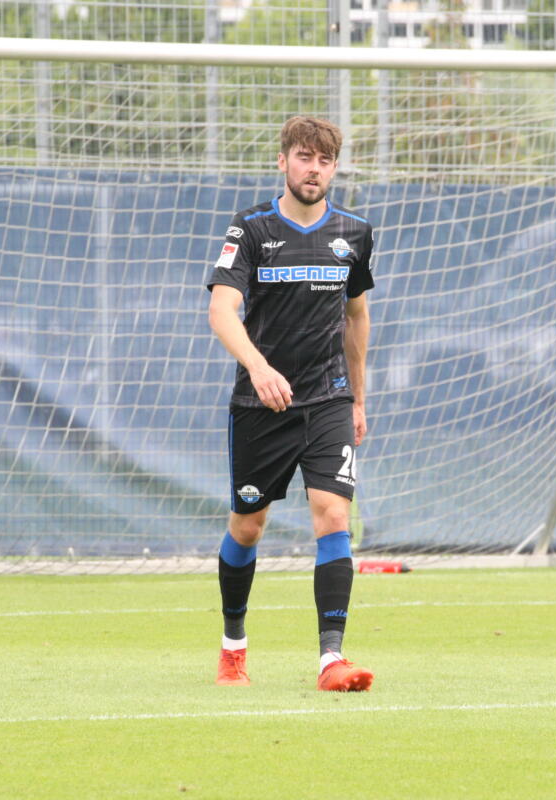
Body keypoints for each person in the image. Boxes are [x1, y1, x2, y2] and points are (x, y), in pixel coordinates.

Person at [206, 116, 375, 692]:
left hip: (328, 399)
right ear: (283, 161)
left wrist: (357, 396)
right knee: (249, 526)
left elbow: (356, 317)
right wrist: (258, 367)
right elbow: (221, 310)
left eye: (325, 161)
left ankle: (332, 660)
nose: (314, 169)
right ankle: (233, 647)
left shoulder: (353, 233)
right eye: (304, 157)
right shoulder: (250, 228)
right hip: (262, 405)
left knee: (333, 515)